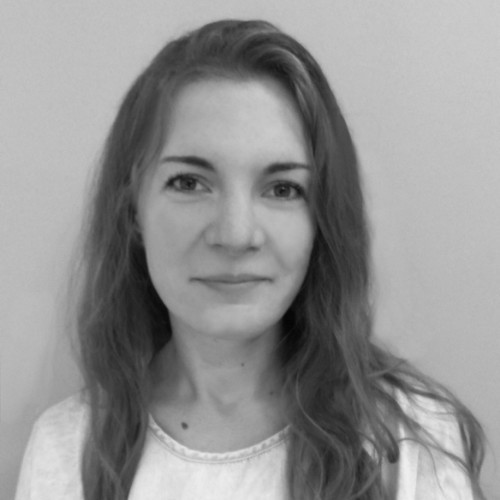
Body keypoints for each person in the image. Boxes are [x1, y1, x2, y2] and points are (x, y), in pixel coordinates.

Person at [15, 19, 485, 500]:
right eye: (189, 183)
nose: (236, 235)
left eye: (282, 189)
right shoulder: (66, 449)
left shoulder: (409, 442)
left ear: (322, 219)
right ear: (132, 208)